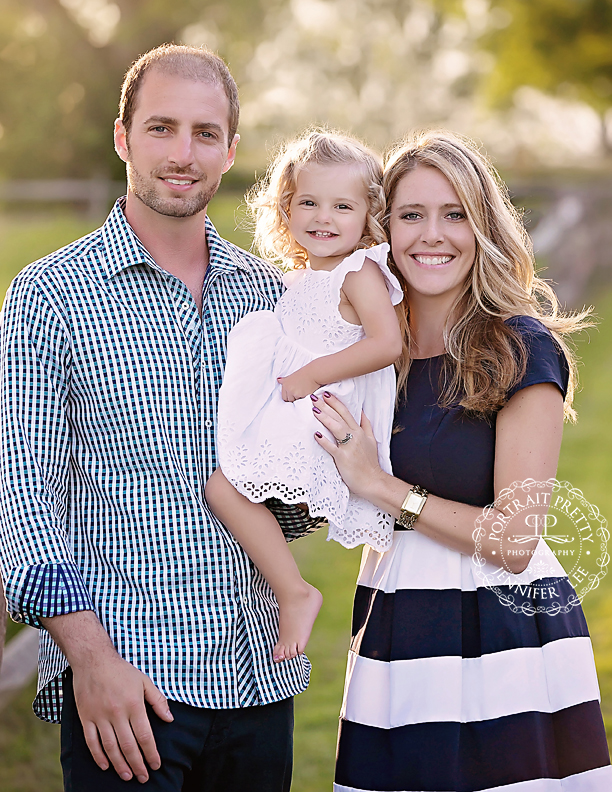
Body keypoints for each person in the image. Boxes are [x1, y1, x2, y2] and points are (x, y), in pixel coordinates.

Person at [0, 44, 318, 792]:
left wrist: (328, 474)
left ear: (231, 150)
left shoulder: (267, 295)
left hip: (258, 674)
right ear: (123, 137)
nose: (183, 153)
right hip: (131, 687)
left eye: (205, 134)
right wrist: (89, 658)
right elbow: (21, 495)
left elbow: (286, 504)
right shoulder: (50, 296)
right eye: (161, 128)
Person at [313, 130, 612, 791]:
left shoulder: (520, 350)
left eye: (455, 215)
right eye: (412, 215)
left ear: (483, 227)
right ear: (383, 228)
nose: (432, 235)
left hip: (498, 631)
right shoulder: (368, 353)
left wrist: (380, 486)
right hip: (396, 616)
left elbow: (514, 538)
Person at [206, 131, 403, 663]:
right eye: (308, 203)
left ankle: (294, 592)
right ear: (286, 208)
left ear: (368, 216)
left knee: (223, 486)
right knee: (227, 485)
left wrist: (313, 374)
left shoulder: (357, 271)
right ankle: (285, 588)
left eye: (343, 206)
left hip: (322, 407)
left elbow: (387, 343)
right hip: (296, 399)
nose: (324, 217)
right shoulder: (299, 275)